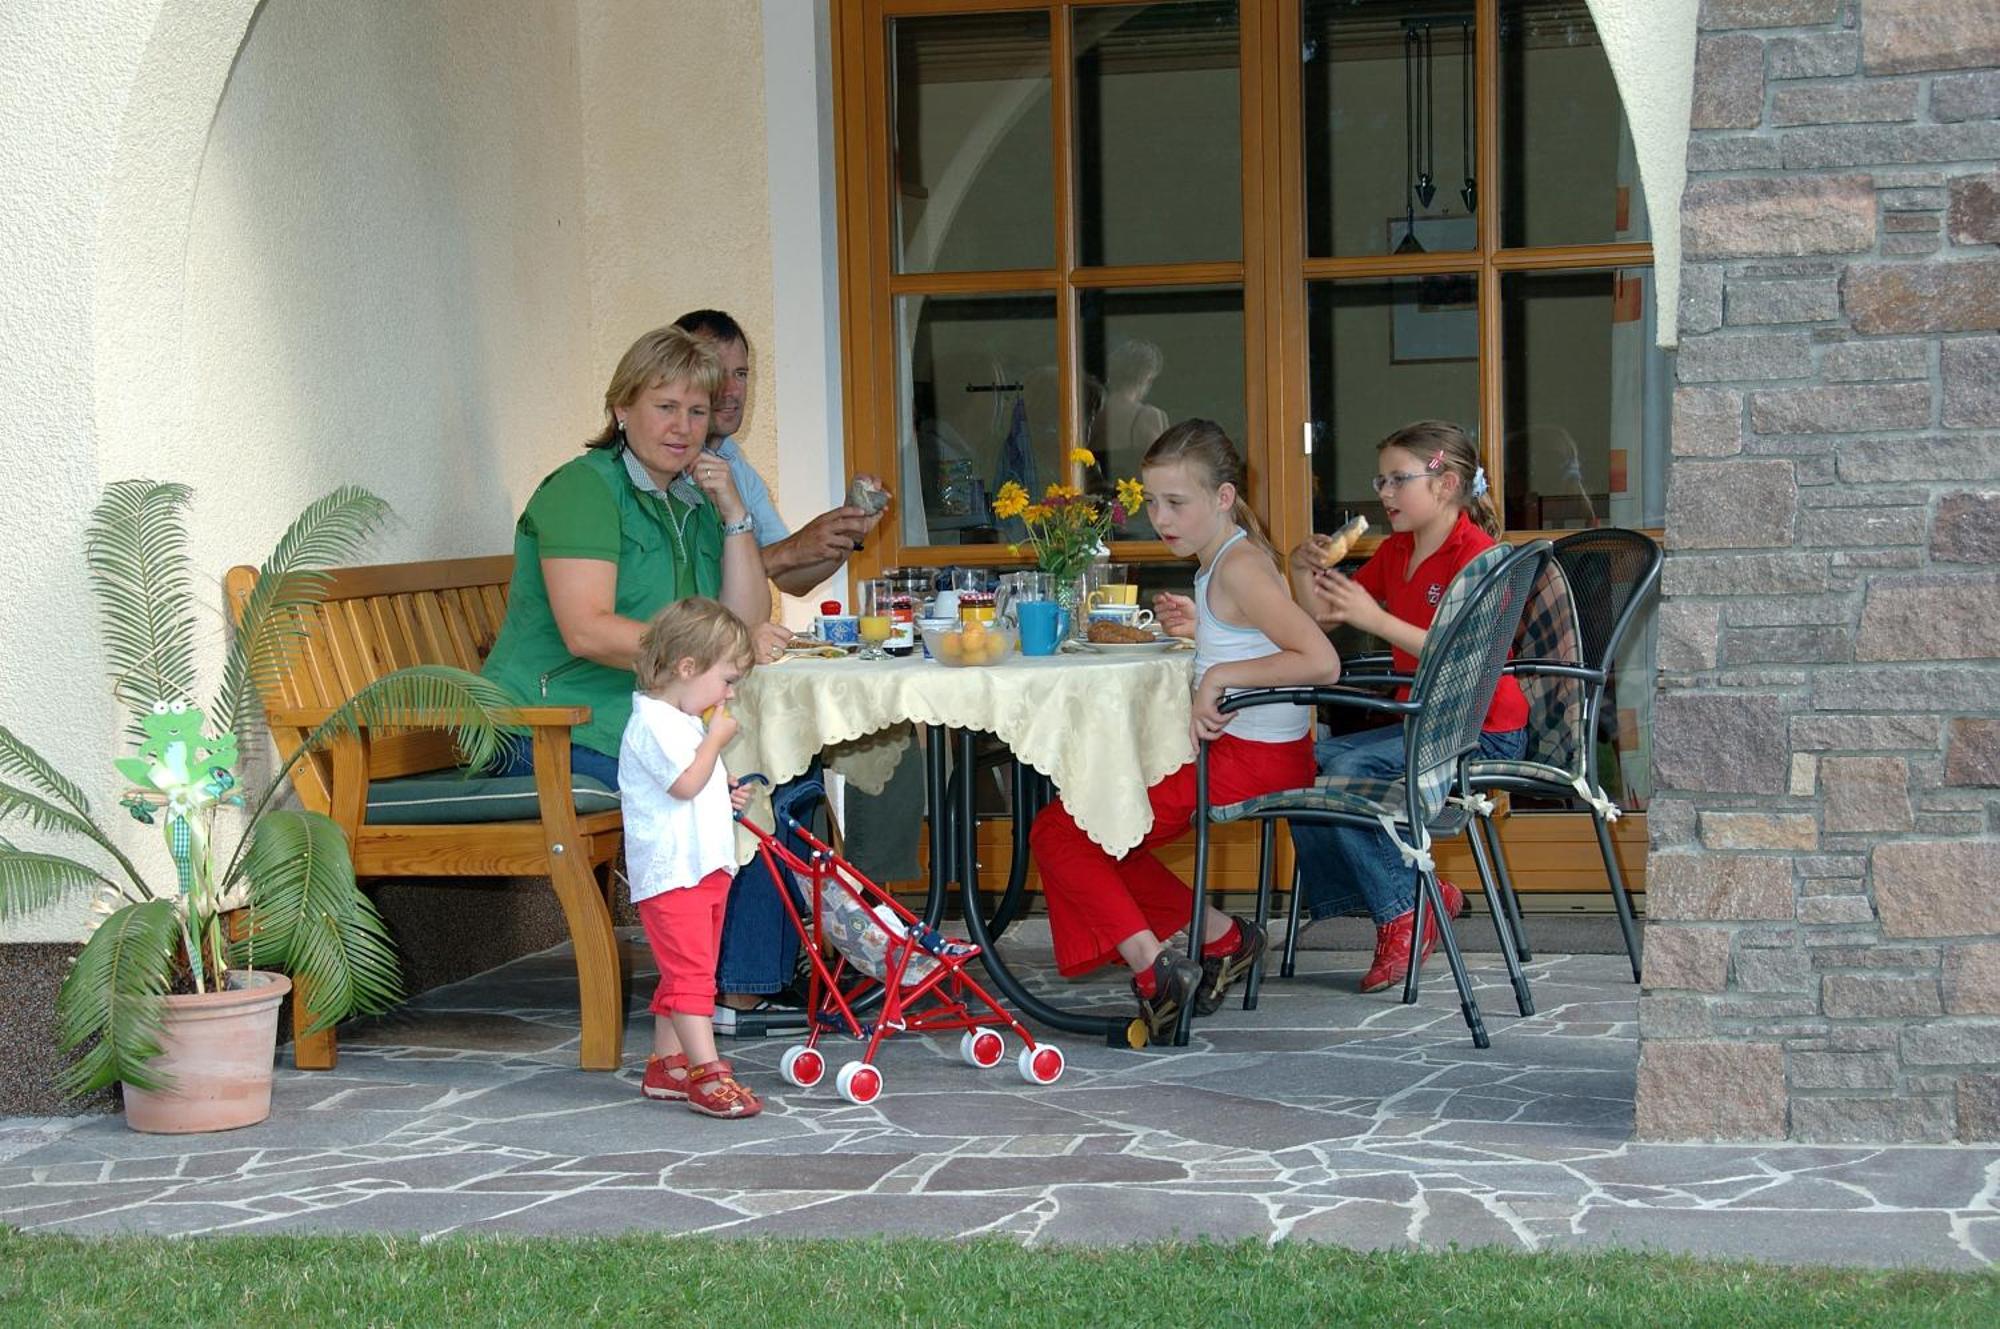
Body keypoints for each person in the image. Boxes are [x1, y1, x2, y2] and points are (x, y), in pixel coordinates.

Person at [480, 326, 802, 1026]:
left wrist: (736, 514)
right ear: (622, 407)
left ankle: (747, 980)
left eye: (696, 411)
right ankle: (722, 985)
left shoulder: (688, 499)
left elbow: (741, 621)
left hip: (641, 720)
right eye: (664, 407)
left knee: (784, 773)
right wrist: (701, 659)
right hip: (549, 724)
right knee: (723, 786)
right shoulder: (582, 490)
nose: (682, 427)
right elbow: (587, 627)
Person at [1028, 420, 1341, 1042]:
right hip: (1247, 751)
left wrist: (1218, 672)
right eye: (1152, 502)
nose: (1160, 518)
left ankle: (1155, 972)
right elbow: (1258, 638)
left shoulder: (1240, 565)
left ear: (1223, 498)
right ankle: (1223, 938)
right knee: (1105, 830)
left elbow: (1321, 662)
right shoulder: (1220, 562)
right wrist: (1206, 634)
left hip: (1254, 760)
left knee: (1063, 831)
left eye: (1177, 502)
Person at [1286, 419, 1530, 994]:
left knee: (1345, 773)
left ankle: (1402, 912)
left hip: (1478, 728)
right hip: (1418, 724)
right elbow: (1318, 618)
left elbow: (1471, 656)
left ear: (1444, 484)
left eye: (1399, 480)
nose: (1384, 494)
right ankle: (1413, 895)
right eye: (1382, 481)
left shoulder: (1480, 556)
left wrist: (1374, 619)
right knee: (1296, 760)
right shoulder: (1396, 551)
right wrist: (1302, 571)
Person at [620, 598, 763, 1118]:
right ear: (686, 667)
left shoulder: (681, 722)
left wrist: (721, 793)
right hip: (673, 872)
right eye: (726, 680)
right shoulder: (653, 723)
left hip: (702, 867)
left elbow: (691, 787)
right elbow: (682, 783)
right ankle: (707, 1073)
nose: (728, 694)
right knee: (693, 976)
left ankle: (668, 1064)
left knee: (684, 970)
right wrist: (714, 745)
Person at [673, 309, 887, 597]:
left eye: (741, 374)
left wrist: (848, 530)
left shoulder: (736, 466)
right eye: (716, 373)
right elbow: (692, 580)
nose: (732, 390)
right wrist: (790, 550)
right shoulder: (661, 464)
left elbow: (792, 580)